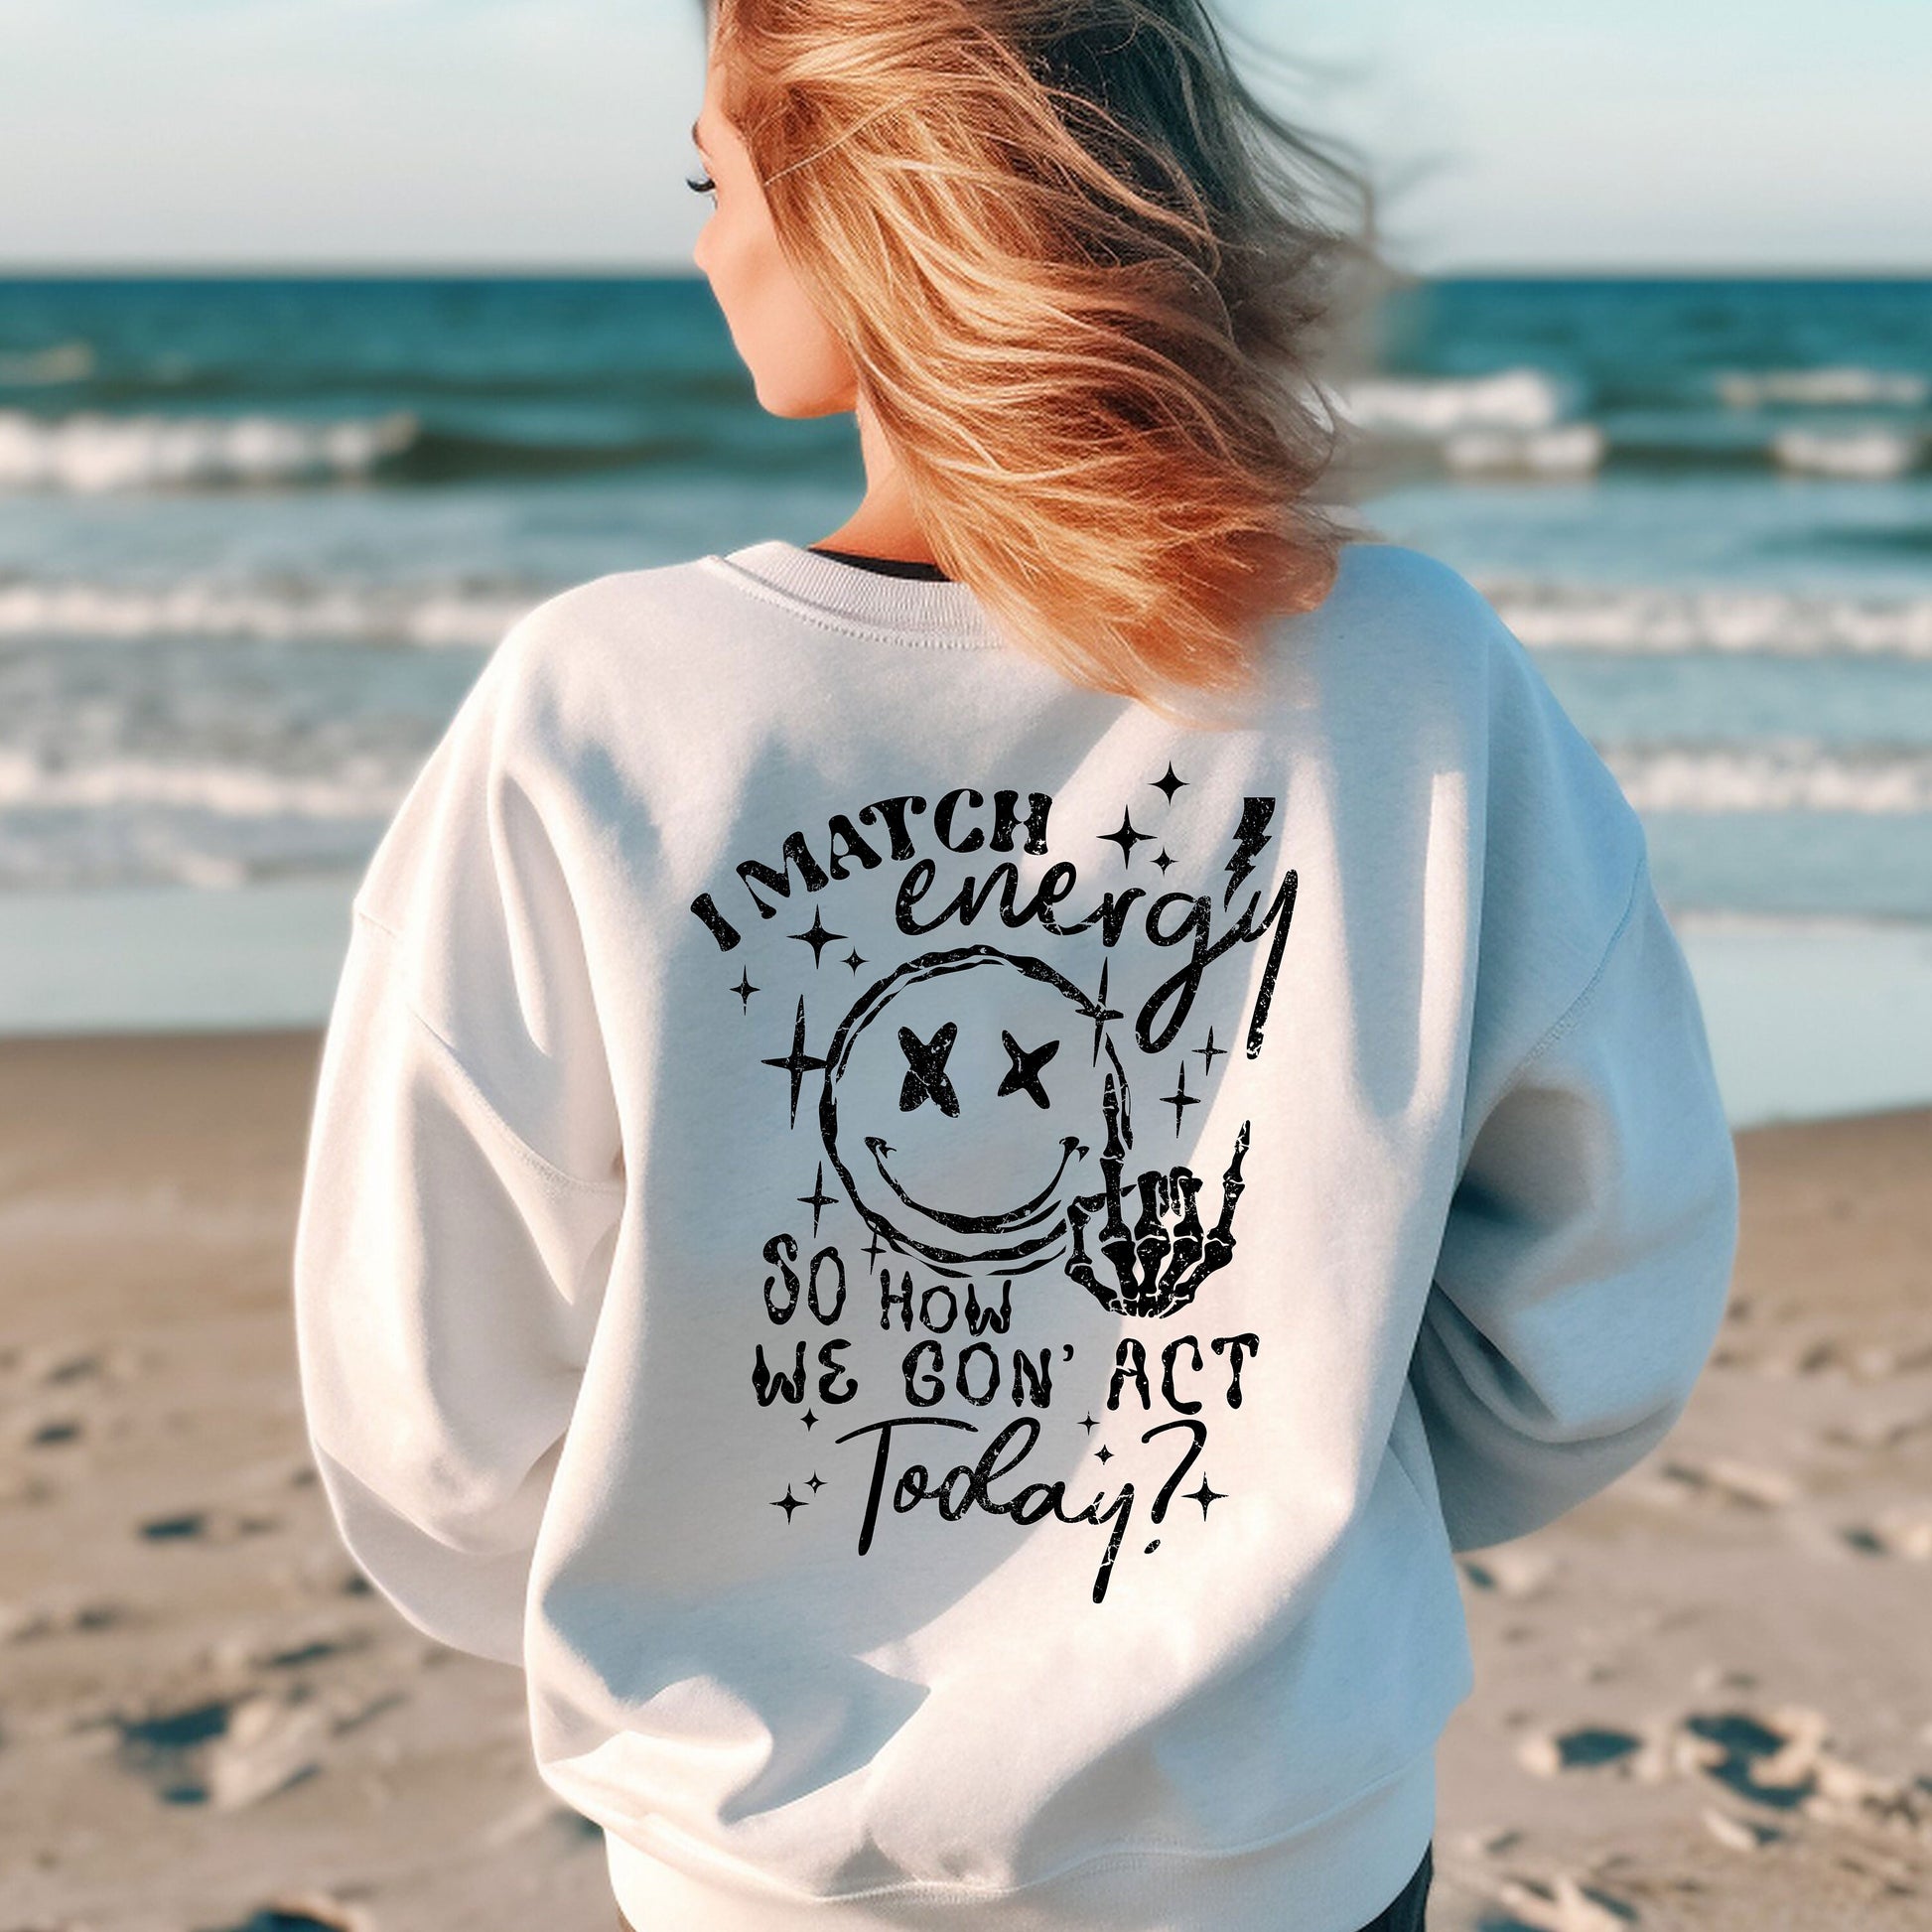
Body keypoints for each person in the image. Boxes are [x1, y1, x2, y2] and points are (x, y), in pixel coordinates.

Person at [290, 4, 1740, 1929]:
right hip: (1282, 1850)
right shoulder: (1410, 686)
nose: (704, 240)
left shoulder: (609, 711)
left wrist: (711, 1580)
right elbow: (1596, 1291)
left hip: (764, 1865)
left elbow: (433, 1403)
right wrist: (1296, 1526)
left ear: (869, 205)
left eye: (713, 177)